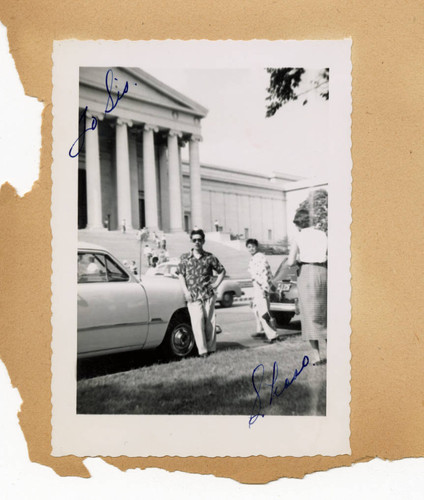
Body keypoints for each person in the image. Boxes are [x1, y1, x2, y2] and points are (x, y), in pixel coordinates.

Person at [286, 208, 328, 365]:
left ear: (299, 223)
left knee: (309, 315)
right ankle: (333, 350)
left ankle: (316, 355)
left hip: (307, 272)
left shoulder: (298, 236)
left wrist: (297, 260)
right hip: (323, 271)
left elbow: (290, 262)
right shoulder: (322, 234)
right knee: (324, 312)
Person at [176, 229, 226, 358]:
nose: (197, 242)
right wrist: (186, 292)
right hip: (193, 296)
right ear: (191, 242)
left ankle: (211, 349)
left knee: (209, 323)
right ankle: (203, 351)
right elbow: (181, 276)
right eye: (194, 240)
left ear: (203, 241)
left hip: (207, 294)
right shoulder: (185, 258)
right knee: (197, 322)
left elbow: (222, 271)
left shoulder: (210, 257)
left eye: (199, 240)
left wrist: (216, 284)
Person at [246, 239, 278, 344]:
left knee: (264, 312)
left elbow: (264, 274)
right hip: (257, 286)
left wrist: (264, 288)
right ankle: (262, 331)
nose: (251, 249)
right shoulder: (254, 258)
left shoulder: (260, 257)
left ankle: (272, 336)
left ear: (257, 246)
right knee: (256, 310)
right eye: (249, 247)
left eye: (253, 246)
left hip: (262, 286)